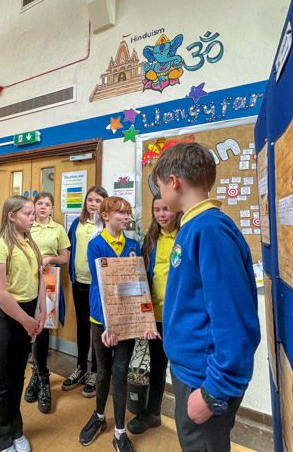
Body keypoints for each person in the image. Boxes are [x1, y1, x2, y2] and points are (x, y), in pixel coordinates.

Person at [152, 142, 261, 452]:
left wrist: (215, 390)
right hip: (191, 372)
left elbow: (234, 320)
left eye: (160, 186)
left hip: (205, 382)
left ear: (173, 182)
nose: (161, 195)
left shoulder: (211, 229)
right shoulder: (192, 225)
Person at [78, 197, 158, 452]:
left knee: (121, 371)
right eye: (121, 213)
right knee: (102, 372)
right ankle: (99, 416)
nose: (126, 217)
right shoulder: (96, 245)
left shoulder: (134, 245)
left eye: (128, 213)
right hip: (101, 320)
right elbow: (102, 287)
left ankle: (120, 431)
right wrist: (109, 325)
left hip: (127, 321)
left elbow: (140, 286)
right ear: (105, 216)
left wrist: (144, 320)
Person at [0, 196, 46, 452]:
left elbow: (40, 276)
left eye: (33, 213)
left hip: (30, 313)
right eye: (28, 214)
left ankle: (14, 427)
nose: (33, 217)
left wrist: (43, 309)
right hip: (8, 316)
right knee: (3, 379)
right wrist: (26, 320)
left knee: (18, 375)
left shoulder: (30, 242)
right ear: (11, 216)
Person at [127, 193, 182, 434]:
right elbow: (142, 278)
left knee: (181, 369)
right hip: (156, 317)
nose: (161, 214)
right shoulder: (150, 240)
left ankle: (187, 418)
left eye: (166, 209)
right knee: (158, 367)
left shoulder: (186, 236)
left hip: (180, 318)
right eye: (157, 210)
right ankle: (153, 413)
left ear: (177, 210)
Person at [24, 192, 70, 413]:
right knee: (25, 327)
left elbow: (65, 257)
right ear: (33, 207)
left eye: (47, 204)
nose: (43, 207)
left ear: (52, 208)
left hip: (49, 280)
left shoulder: (58, 229)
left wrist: (50, 258)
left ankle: (41, 377)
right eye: (39, 203)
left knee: (43, 329)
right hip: (25, 280)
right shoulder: (27, 224)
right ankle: (35, 373)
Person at [65, 185, 108, 397]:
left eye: (98, 201)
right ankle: (81, 367)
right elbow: (70, 248)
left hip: (97, 286)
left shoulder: (107, 226)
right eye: (90, 200)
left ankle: (95, 371)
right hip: (79, 282)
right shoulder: (78, 223)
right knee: (82, 326)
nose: (93, 204)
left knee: (96, 328)